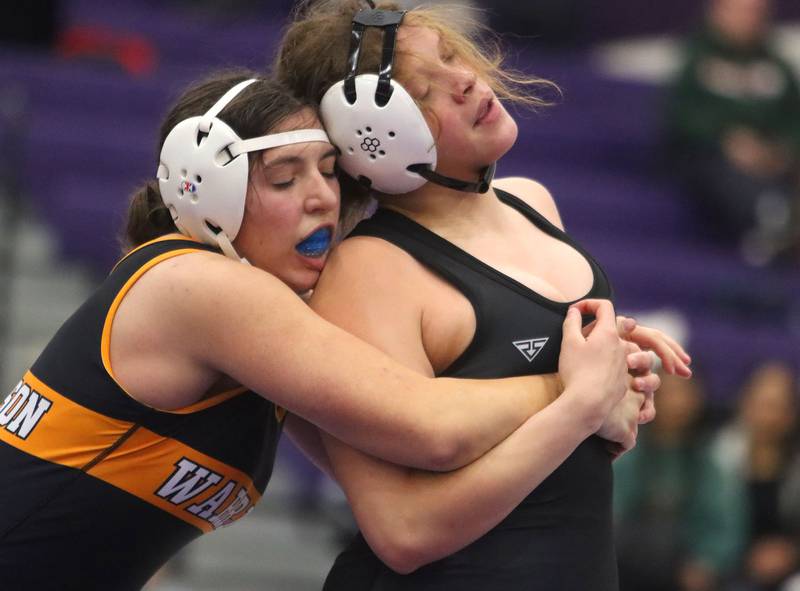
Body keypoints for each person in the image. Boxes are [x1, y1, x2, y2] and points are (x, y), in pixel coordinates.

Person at [0, 70, 663, 590]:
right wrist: (576, 388)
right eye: (286, 178)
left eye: (327, 172)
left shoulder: (263, 347)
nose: (322, 197)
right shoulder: (199, 286)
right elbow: (429, 424)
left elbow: (408, 480)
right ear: (206, 194)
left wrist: (604, 375)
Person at [275, 1, 692, 588]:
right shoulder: (368, 273)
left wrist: (615, 377)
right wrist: (582, 404)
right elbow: (403, 533)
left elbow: (552, 454)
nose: (466, 78)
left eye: (450, 56)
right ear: (375, 141)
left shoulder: (533, 202)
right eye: (426, 90)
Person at [663, 0, 800, 266]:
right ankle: (770, 219)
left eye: (755, 13)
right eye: (740, 12)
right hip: (713, 158)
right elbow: (683, 116)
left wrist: (778, 150)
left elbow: (793, 120)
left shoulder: (778, 66)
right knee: (716, 171)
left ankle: (778, 222)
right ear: (717, 12)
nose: (748, 20)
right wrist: (728, 141)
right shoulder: (695, 58)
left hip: (774, 161)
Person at [614, 372, 747, 591]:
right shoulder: (626, 451)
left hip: (687, 566)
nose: (678, 403)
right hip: (630, 562)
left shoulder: (713, 459)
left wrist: (708, 562)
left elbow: (726, 523)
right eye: (669, 394)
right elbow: (612, 513)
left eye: (685, 393)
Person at [712, 361, 800, 591]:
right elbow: (704, 522)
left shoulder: (795, 464)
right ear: (745, 403)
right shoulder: (719, 456)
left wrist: (790, 552)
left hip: (790, 569)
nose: (769, 416)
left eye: (778, 406)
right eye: (762, 404)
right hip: (727, 566)